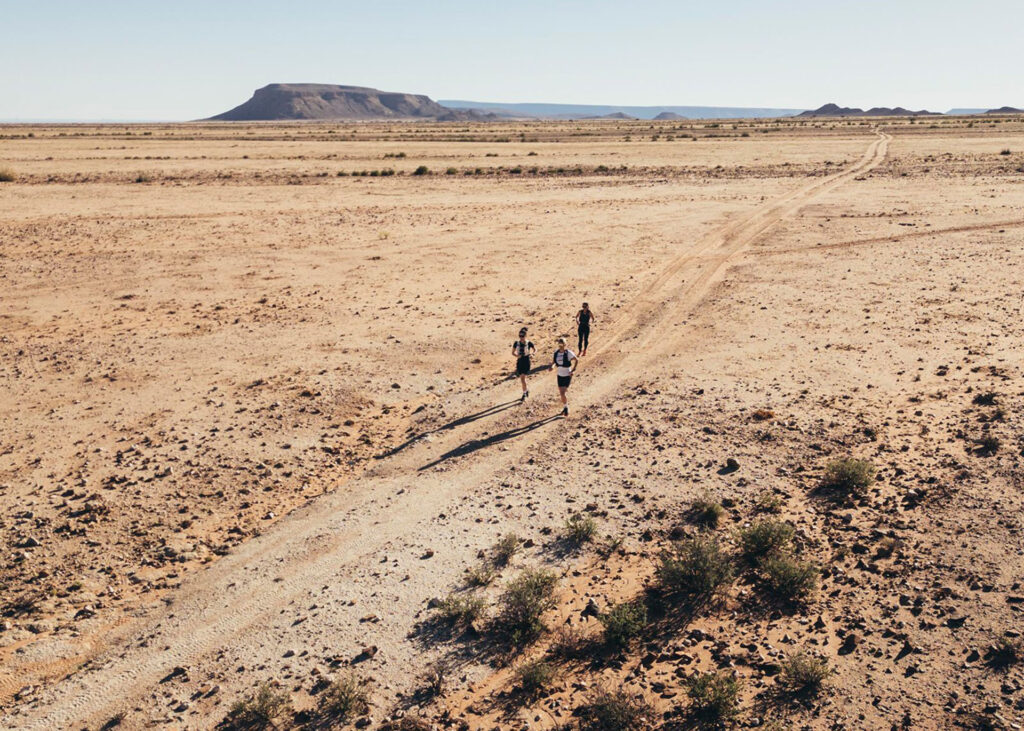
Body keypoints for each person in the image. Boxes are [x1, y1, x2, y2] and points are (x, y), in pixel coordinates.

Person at [552, 337, 578, 416]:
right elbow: (554, 362)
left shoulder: (568, 353)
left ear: (565, 344)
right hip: (559, 375)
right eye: (559, 343)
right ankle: (565, 407)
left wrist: (573, 370)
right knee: (561, 393)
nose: (560, 345)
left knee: (563, 393)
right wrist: (552, 367)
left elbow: (576, 360)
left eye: (562, 343)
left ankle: (566, 408)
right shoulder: (556, 353)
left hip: (567, 374)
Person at [511, 327, 535, 401]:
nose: (521, 338)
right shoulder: (516, 343)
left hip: (526, 361)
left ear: (525, 336)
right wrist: (517, 356)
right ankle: (526, 390)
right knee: (522, 379)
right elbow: (512, 352)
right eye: (520, 336)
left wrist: (532, 354)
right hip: (520, 361)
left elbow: (535, 349)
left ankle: (524, 394)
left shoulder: (529, 343)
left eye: (522, 336)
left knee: (522, 378)